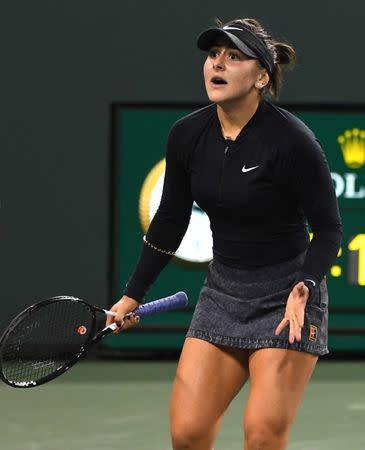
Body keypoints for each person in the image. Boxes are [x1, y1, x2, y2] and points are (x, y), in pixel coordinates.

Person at [106, 17, 342, 450]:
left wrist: (306, 284)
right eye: (214, 55)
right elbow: (170, 219)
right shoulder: (187, 135)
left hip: (287, 298)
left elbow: (328, 229)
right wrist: (132, 294)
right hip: (223, 293)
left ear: (261, 77)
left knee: (262, 437)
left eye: (235, 57)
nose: (218, 64)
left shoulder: (292, 141)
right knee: (188, 434)